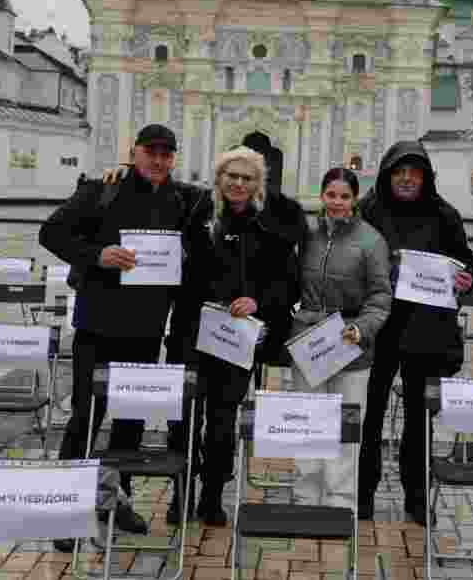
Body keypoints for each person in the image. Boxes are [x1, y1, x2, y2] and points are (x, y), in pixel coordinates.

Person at [38, 124, 201, 551]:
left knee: (129, 424)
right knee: (84, 421)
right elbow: (51, 233)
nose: (159, 160)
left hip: (146, 331)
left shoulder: (181, 200)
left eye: (168, 154)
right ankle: (66, 511)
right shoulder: (100, 191)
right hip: (97, 326)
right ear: (135, 152)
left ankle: (116, 501)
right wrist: (97, 255)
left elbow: (226, 200)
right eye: (152, 152)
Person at [165, 146, 299, 526]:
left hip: (235, 341)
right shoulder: (196, 216)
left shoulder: (268, 228)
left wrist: (257, 301)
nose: (238, 183)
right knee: (184, 418)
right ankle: (181, 492)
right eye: (232, 176)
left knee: (222, 422)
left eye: (247, 178)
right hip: (190, 333)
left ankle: (212, 494)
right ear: (219, 179)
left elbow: (287, 285)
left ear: (258, 184)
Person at [356, 141, 473, 525]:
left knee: (418, 419)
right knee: (369, 415)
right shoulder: (368, 211)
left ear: (425, 177)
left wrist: (464, 279)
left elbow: (466, 267)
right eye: (399, 172)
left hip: (425, 329)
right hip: (377, 329)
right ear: (388, 175)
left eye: (415, 172)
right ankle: (362, 493)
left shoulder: (445, 215)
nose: (407, 178)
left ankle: (417, 495)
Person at [291, 168, 391, 509]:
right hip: (310, 343)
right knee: (308, 420)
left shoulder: (371, 241)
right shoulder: (307, 234)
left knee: (346, 426)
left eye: (344, 196)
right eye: (331, 195)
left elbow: (380, 297)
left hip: (350, 345)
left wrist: (361, 328)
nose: (337, 203)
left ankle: (340, 500)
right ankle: (306, 495)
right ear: (322, 196)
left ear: (354, 199)